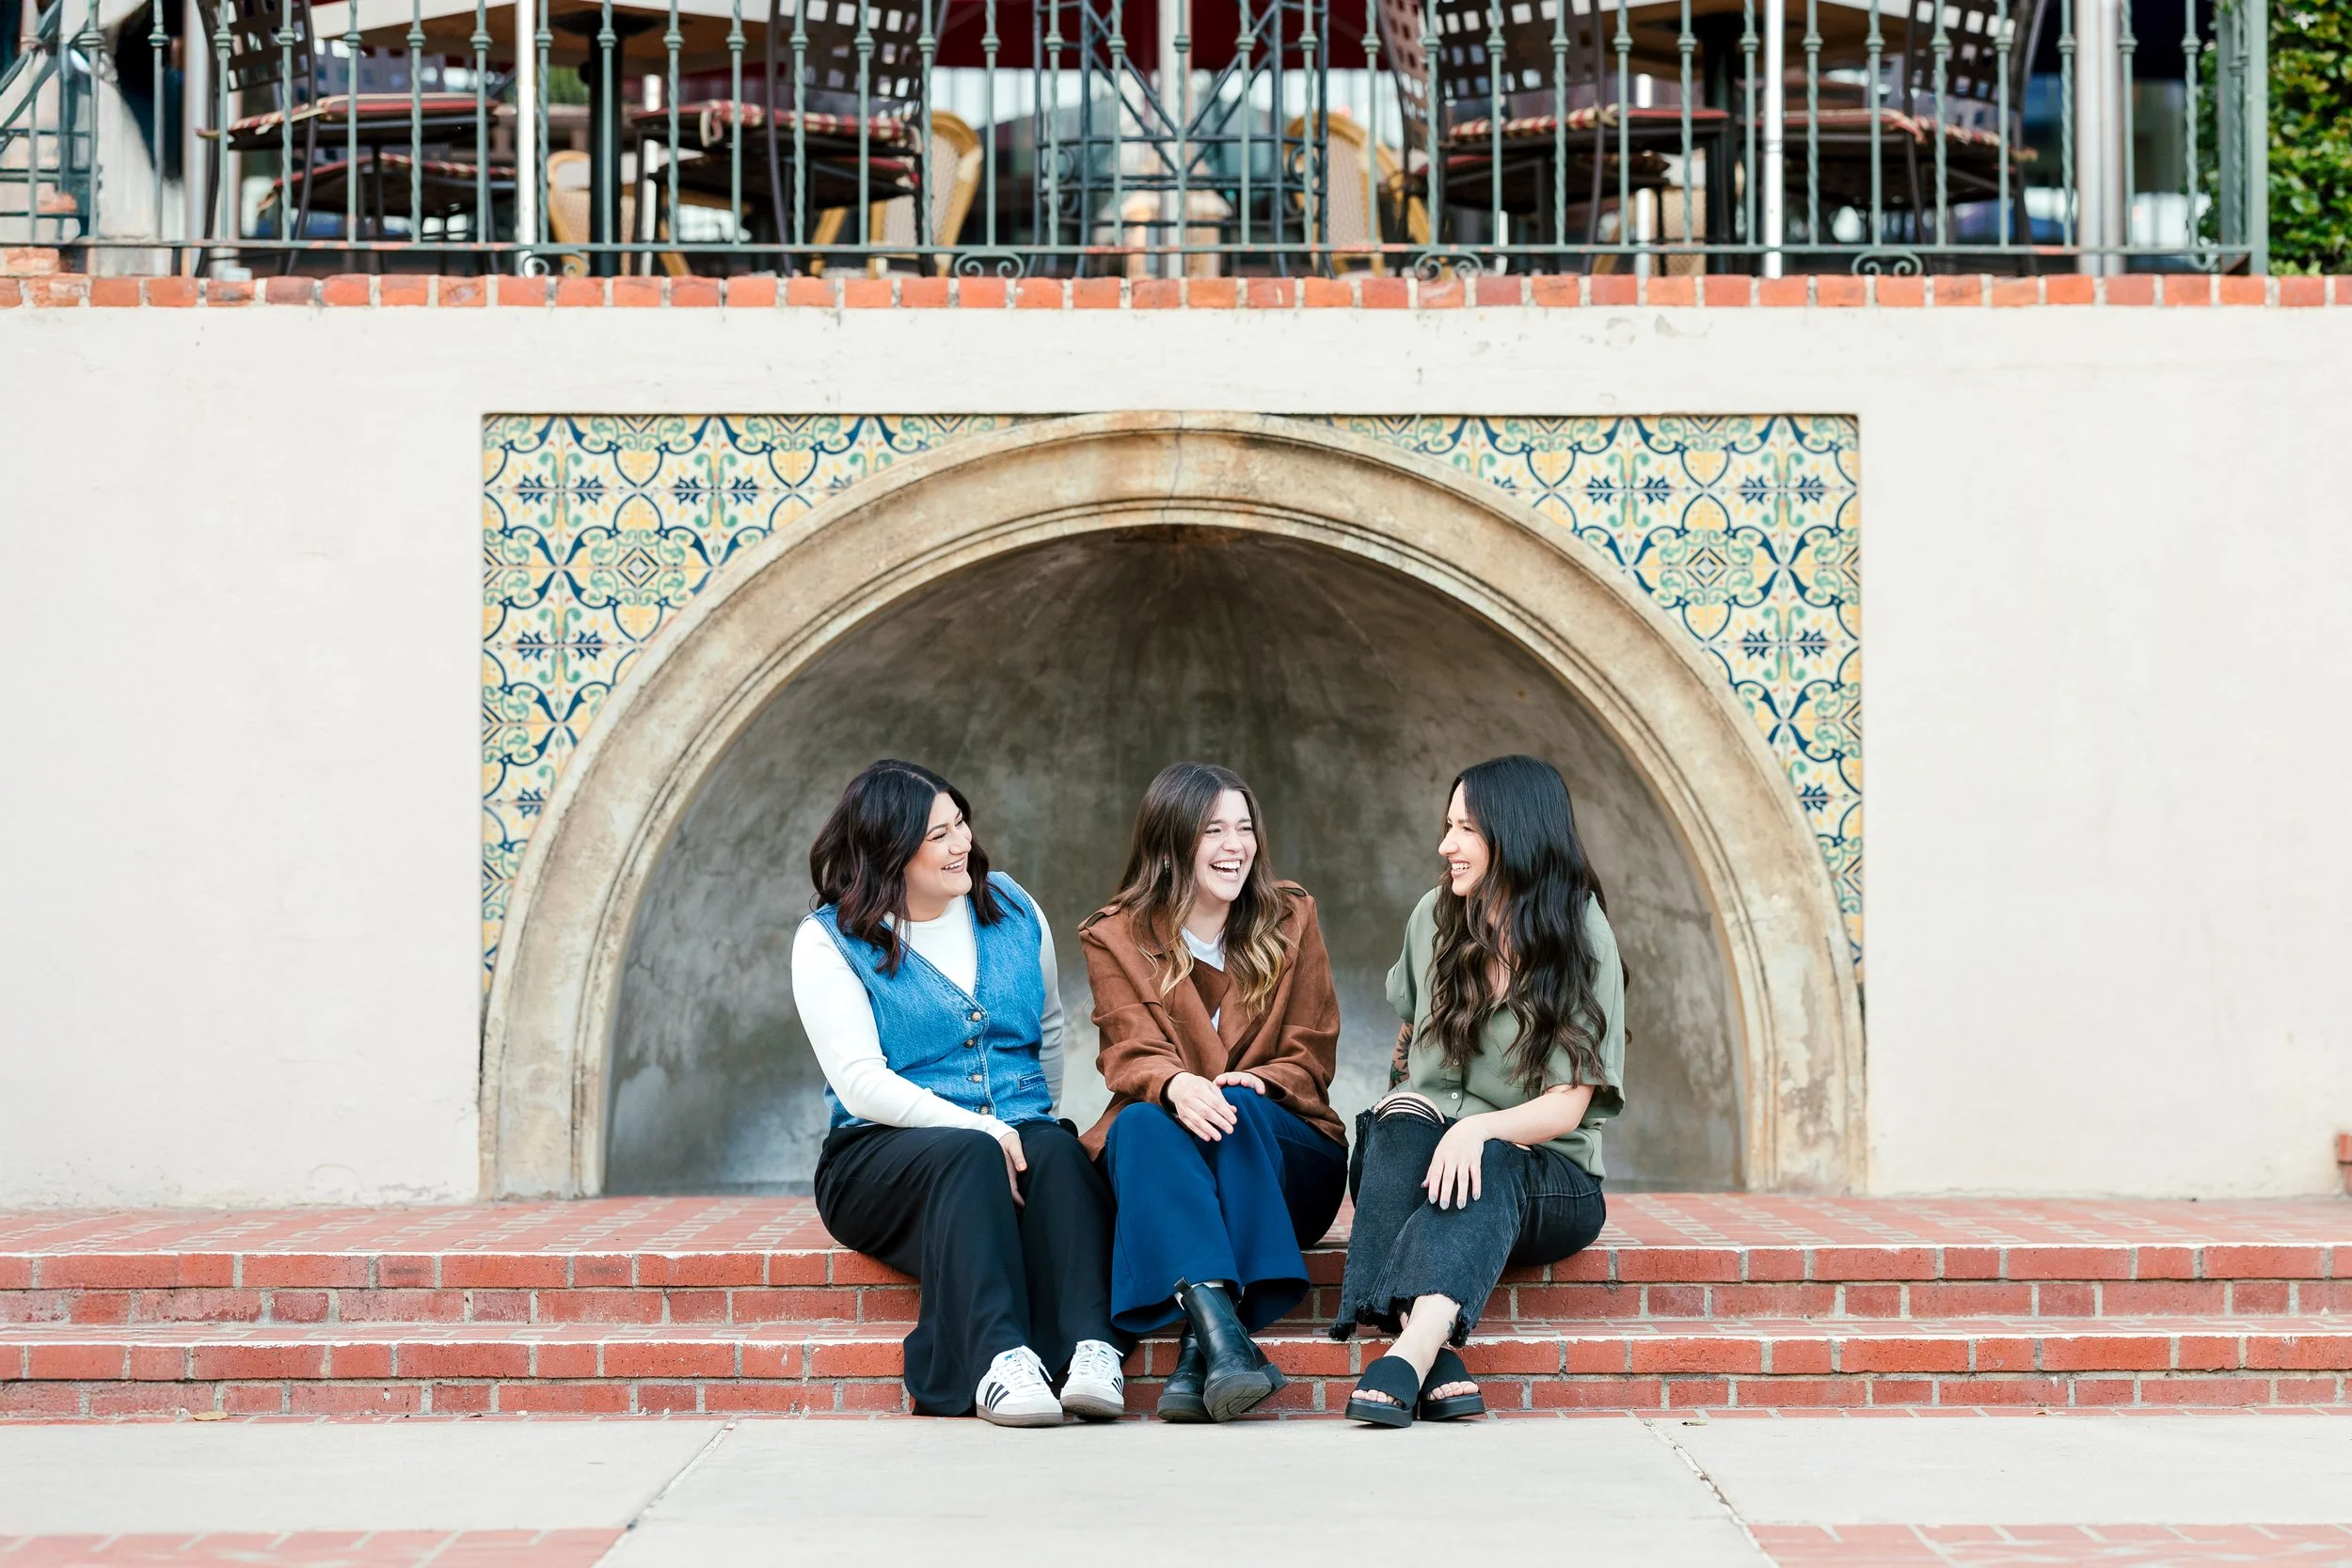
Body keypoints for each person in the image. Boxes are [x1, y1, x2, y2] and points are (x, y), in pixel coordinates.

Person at [797, 759, 1125, 1427]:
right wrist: (985, 1130)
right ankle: (996, 1359)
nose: (962, 844)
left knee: (1058, 1153)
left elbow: (1051, 1027)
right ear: (890, 849)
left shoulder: (1011, 905)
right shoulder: (828, 939)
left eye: (961, 824)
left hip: (1004, 1134)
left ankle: (1090, 1350)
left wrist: (1028, 1122)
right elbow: (861, 1083)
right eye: (939, 835)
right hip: (878, 1154)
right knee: (973, 1157)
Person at [1331, 753, 1622, 1427]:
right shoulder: (1435, 915)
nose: (1446, 845)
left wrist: (1476, 1128)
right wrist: (1407, 1115)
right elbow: (1409, 1039)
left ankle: (1404, 1353)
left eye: (1464, 829)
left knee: (1487, 1159)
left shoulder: (1582, 932)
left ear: (1512, 833)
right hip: (1435, 1166)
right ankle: (1431, 1358)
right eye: (1447, 825)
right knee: (1394, 1120)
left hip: (1549, 1178)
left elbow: (1570, 1104)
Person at [1079, 761, 1349, 1423]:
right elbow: (1127, 1048)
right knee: (1140, 1123)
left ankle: (1205, 1339)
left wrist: (1262, 1079)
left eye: (1245, 828)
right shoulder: (1115, 935)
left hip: (1286, 1164)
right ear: (1171, 841)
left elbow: (1313, 1047)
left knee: (1241, 1108)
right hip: (1176, 1166)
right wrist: (1172, 1083)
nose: (1236, 846)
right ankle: (1223, 1345)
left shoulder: (1290, 915)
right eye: (1214, 831)